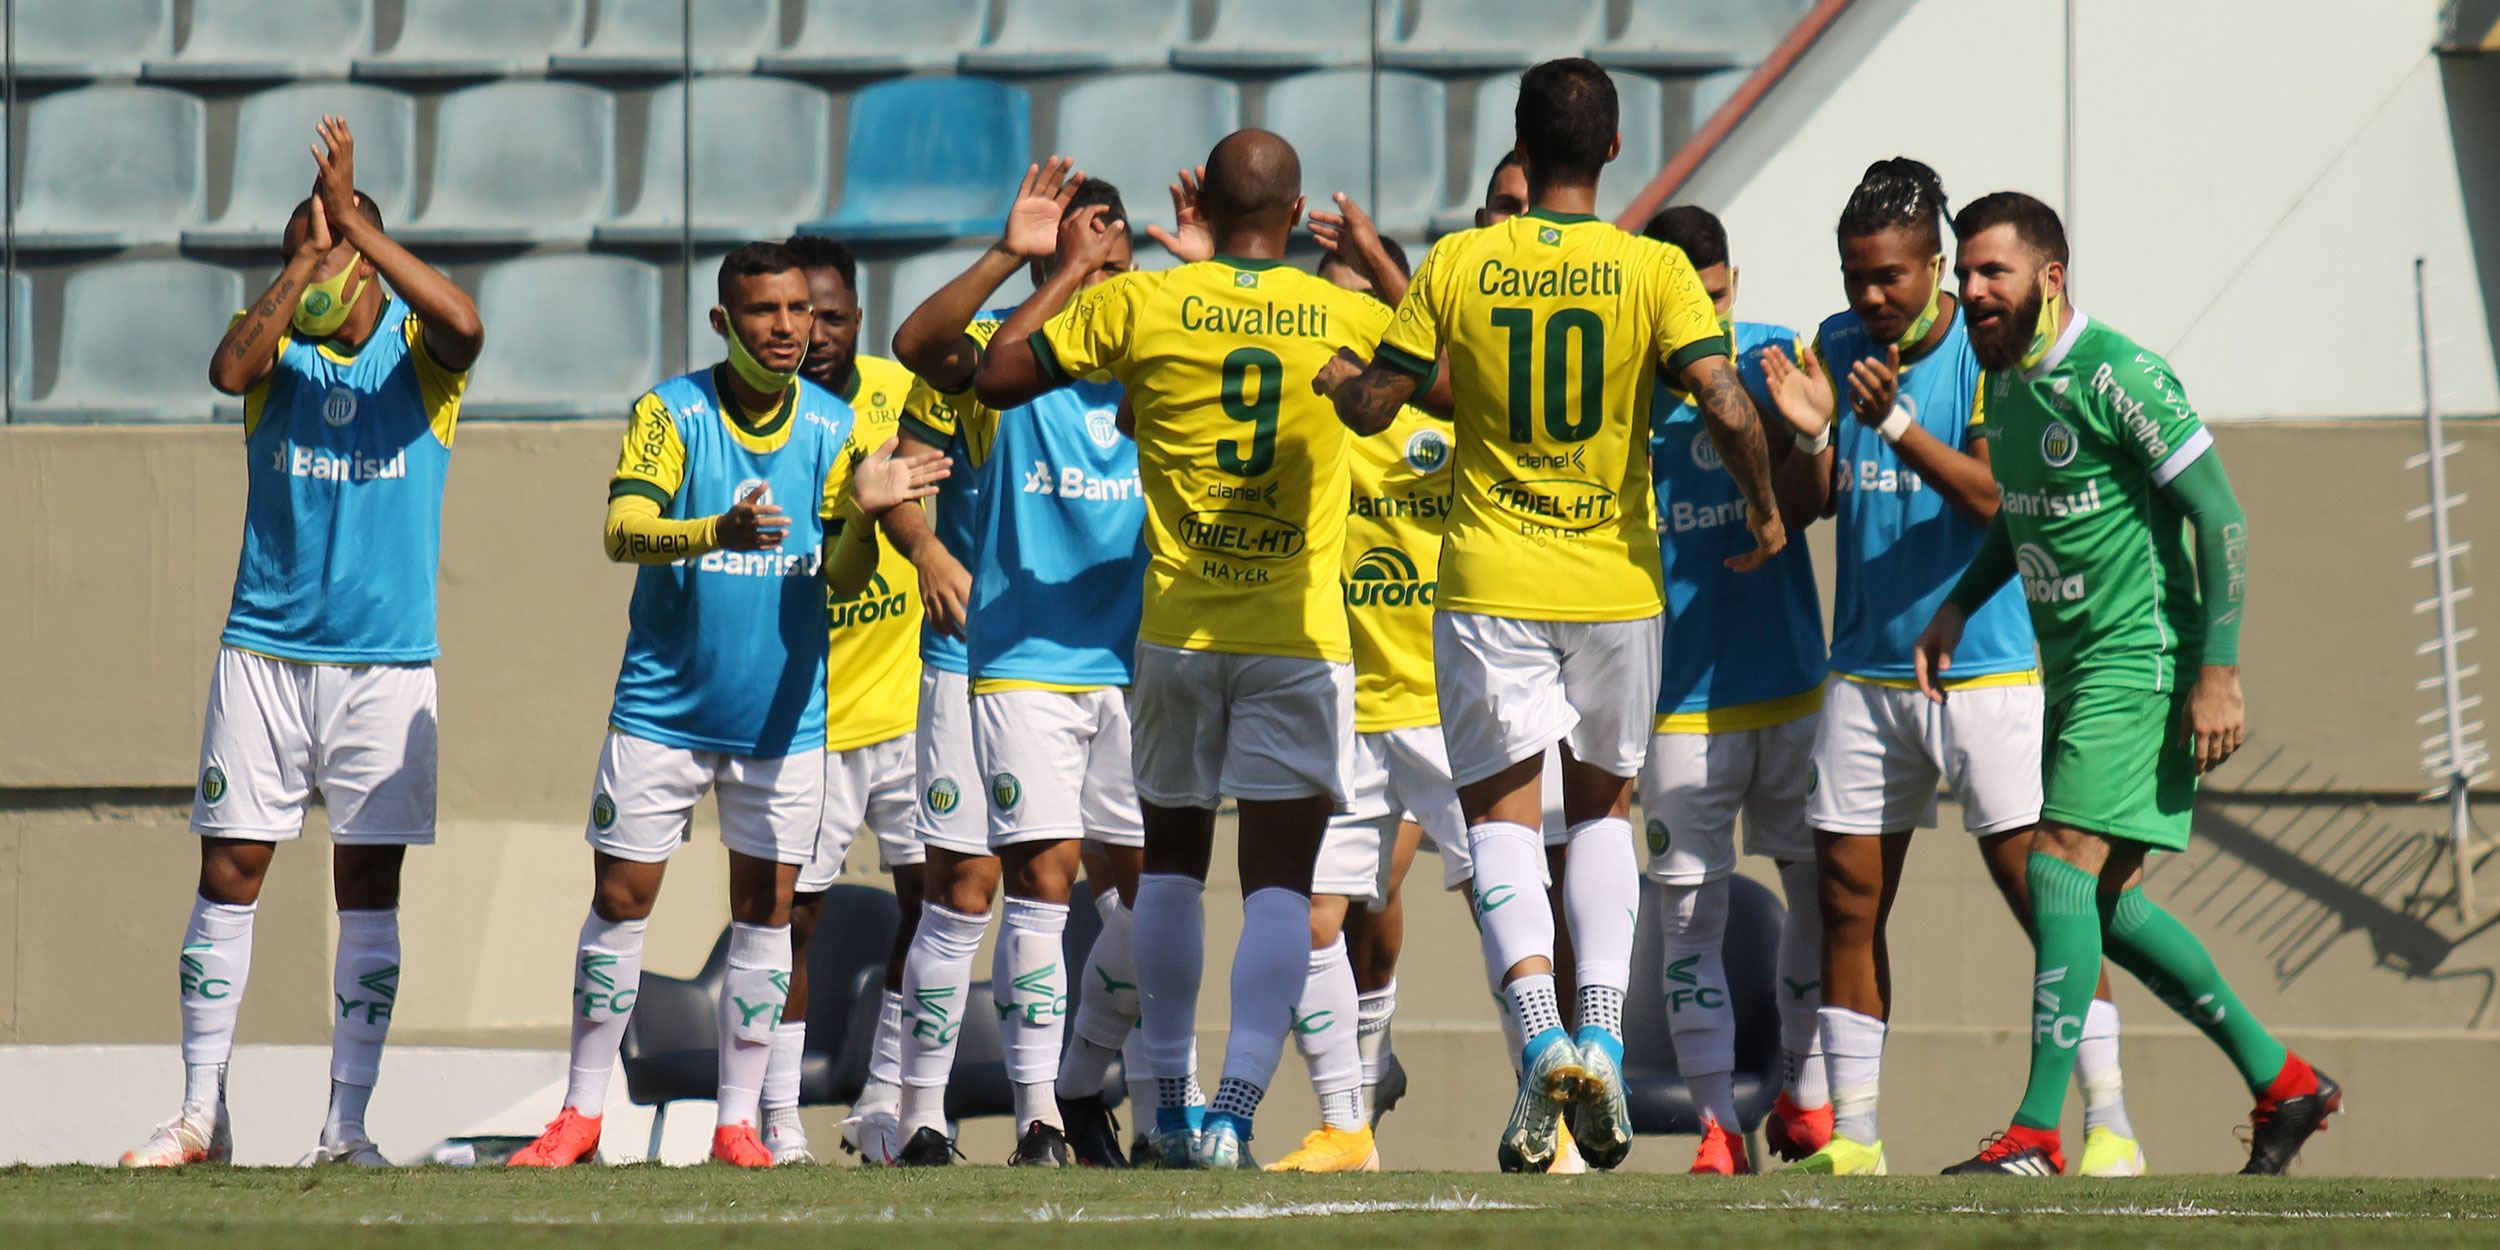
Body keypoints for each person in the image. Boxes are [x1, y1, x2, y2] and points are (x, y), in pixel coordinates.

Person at [1317, 58, 1783, 1174]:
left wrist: (1343, 385)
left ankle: (1539, 1042)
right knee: (1603, 814)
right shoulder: (1652, 267)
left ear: (1518, 148)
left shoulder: (1462, 259)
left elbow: (1383, 399)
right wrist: (1764, 507)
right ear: (1614, 150)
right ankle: (1605, 1043)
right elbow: (1722, 399)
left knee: (1505, 825)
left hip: (1489, 580)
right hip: (1614, 583)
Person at [974, 129, 1393, 1171]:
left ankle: (1168, 1097)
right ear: (1294, 218)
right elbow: (1442, 381)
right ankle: (1233, 1113)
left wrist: (1069, 270)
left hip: (1173, 634)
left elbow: (995, 373)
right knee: (1281, 885)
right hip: (1297, 637)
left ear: (1199, 203)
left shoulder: (1141, 301)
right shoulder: (1343, 312)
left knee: (1168, 868)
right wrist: (1381, 266)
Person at [1924, 192, 2339, 1177]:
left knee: (2056, 863)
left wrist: (2218, 670)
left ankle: (2034, 1132)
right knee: (2105, 901)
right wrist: (1956, 602)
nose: (1972, 289)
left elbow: (2220, 514)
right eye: (1965, 272)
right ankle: (2282, 1080)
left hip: (2141, 659)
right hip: (2070, 668)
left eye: (1994, 271)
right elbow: (2018, 513)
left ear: (2050, 276)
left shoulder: (2118, 372)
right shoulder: (2009, 388)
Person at [507, 243, 947, 1169]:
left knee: (767, 914)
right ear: (723, 323)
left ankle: (739, 1124)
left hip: (782, 718)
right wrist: (720, 529)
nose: (786, 328)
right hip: (663, 709)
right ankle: (580, 1114)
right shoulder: (671, 413)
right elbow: (623, 531)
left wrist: (864, 514)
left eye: (797, 310)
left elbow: (842, 575)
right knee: (620, 902)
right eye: (762, 313)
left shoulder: (835, 427)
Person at [1755, 159, 2139, 1178]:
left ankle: (2107, 1122)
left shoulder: (1984, 351)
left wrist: (1890, 421)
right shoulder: (1836, 347)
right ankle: (1856, 1137)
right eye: (1853, 277)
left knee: (2042, 896)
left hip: (1988, 670)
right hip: (1865, 671)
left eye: (1889, 276)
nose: (1870, 298)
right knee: (1845, 900)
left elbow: (1993, 497)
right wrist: (1803, 437)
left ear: (1935, 264)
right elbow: (1806, 506)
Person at [127, 116, 483, 1170]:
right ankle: (199, 1112)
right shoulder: (272, 352)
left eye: (339, 247)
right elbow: (225, 370)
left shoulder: (419, 362)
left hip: (384, 659)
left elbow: (465, 318)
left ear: (374, 258)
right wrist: (302, 263)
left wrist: (357, 231)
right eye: (306, 244)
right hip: (265, 648)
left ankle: (346, 1125)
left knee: (367, 885)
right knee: (231, 868)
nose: (324, 262)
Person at [879, 162, 1150, 1169]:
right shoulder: (1000, 358)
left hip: (1129, 663)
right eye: (1084, 255)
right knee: (969, 885)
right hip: (992, 650)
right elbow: (913, 406)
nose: (1098, 275)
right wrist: (925, 544)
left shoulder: (1155, 354)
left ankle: (1112, 1086)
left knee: (1148, 894)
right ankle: (933, 1113)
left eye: (1113, 258)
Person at [1636, 205, 1830, 1175]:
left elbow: (1825, 493)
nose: (1703, 322)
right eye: (1686, 303)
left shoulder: (1774, 357)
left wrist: (1810, 432)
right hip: (1675, 702)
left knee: (1821, 896)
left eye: (1714, 298)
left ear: (1733, 283)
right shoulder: (1620, 386)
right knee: (1687, 920)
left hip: (1792, 685)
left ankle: (1803, 1089)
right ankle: (1717, 1123)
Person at [758, 233, 927, 1166]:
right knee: (794, 918)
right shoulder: (762, 417)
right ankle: (779, 1116)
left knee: (935, 905)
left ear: (857, 318)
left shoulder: (899, 398)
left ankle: (886, 1100)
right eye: (799, 313)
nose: (814, 331)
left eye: (831, 314)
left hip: (907, 707)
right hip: (810, 716)